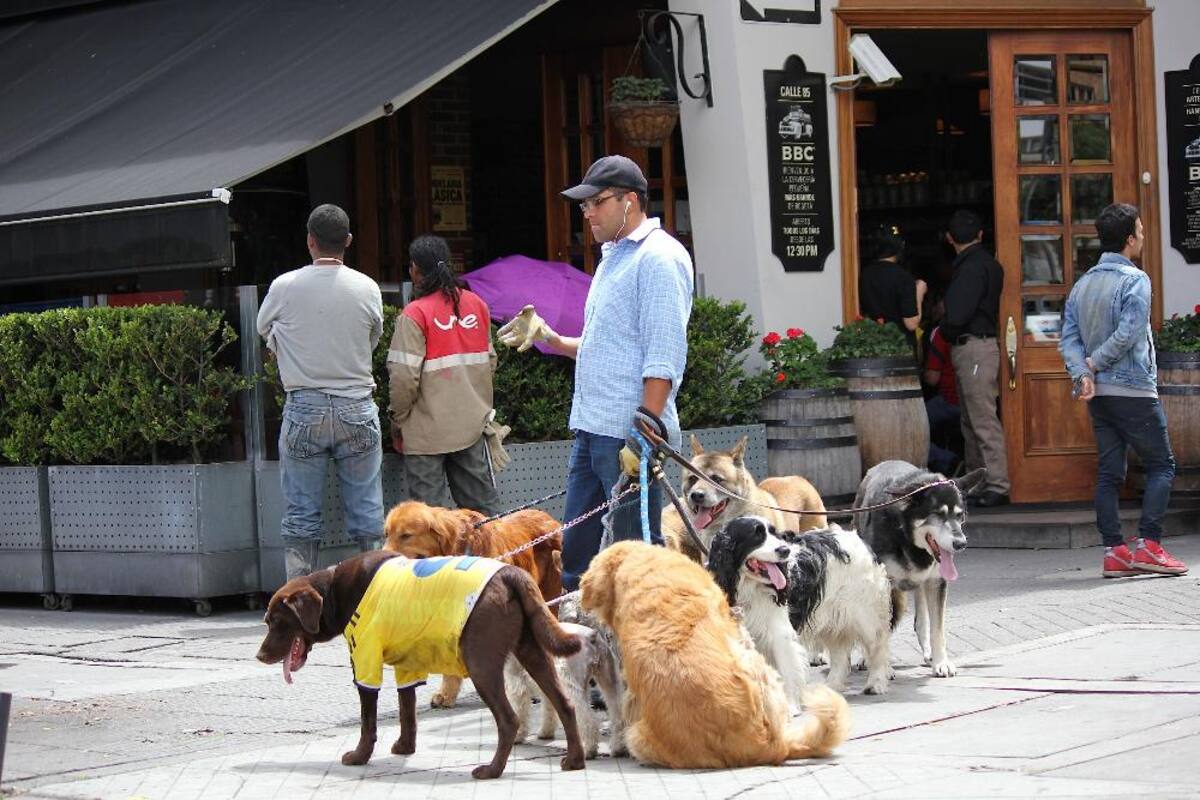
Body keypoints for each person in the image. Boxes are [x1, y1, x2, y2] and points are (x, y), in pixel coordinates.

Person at [496, 155, 693, 591]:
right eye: (583, 204)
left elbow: (663, 354)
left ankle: (643, 651)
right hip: (592, 428)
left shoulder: (659, 259)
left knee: (635, 557)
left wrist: (645, 428)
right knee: (578, 552)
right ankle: (586, 650)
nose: (585, 212)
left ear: (630, 201)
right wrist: (551, 337)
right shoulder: (614, 257)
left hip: (628, 431)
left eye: (595, 202)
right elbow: (611, 345)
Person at [1059, 203, 1188, 578]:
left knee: (1110, 472)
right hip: (1133, 390)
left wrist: (1081, 371)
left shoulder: (1081, 285)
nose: (1144, 238)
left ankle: (1114, 551)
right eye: (1142, 232)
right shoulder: (1136, 280)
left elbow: (1068, 339)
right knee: (1162, 465)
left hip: (1098, 394)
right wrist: (1093, 365)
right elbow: (1129, 333)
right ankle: (1149, 545)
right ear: (1129, 239)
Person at [257, 204, 385, 580]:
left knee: (301, 514)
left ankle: (298, 596)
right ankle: (378, 593)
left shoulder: (284, 286)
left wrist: (285, 343)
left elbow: (266, 330)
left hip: (304, 407)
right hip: (357, 405)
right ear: (348, 241)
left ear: (310, 241)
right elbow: (372, 338)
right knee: (367, 512)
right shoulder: (367, 287)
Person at [387, 234, 503, 516]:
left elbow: (403, 379)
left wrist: (398, 419)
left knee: (430, 524)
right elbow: (489, 361)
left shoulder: (415, 314)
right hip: (472, 428)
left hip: (425, 435)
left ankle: (441, 564)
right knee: (483, 520)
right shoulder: (476, 304)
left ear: (415, 270)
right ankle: (496, 561)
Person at [941, 209, 1010, 507]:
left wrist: (943, 327)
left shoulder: (969, 269)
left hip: (974, 347)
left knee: (980, 419)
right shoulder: (988, 264)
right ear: (981, 235)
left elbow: (957, 315)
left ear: (949, 239)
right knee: (973, 419)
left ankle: (995, 484)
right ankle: (979, 481)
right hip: (982, 346)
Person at [858, 223, 926, 354]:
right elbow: (911, 324)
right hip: (899, 349)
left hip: (871, 346)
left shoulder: (865, 274)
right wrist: (919, 292)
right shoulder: (903, 277)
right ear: (900, 247)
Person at [923, 323, 962, 475]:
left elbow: (932, 378)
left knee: (912, 428)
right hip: (976, 402)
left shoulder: (942, 332)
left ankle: (948, 461)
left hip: (950, 401)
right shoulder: (984, 329)